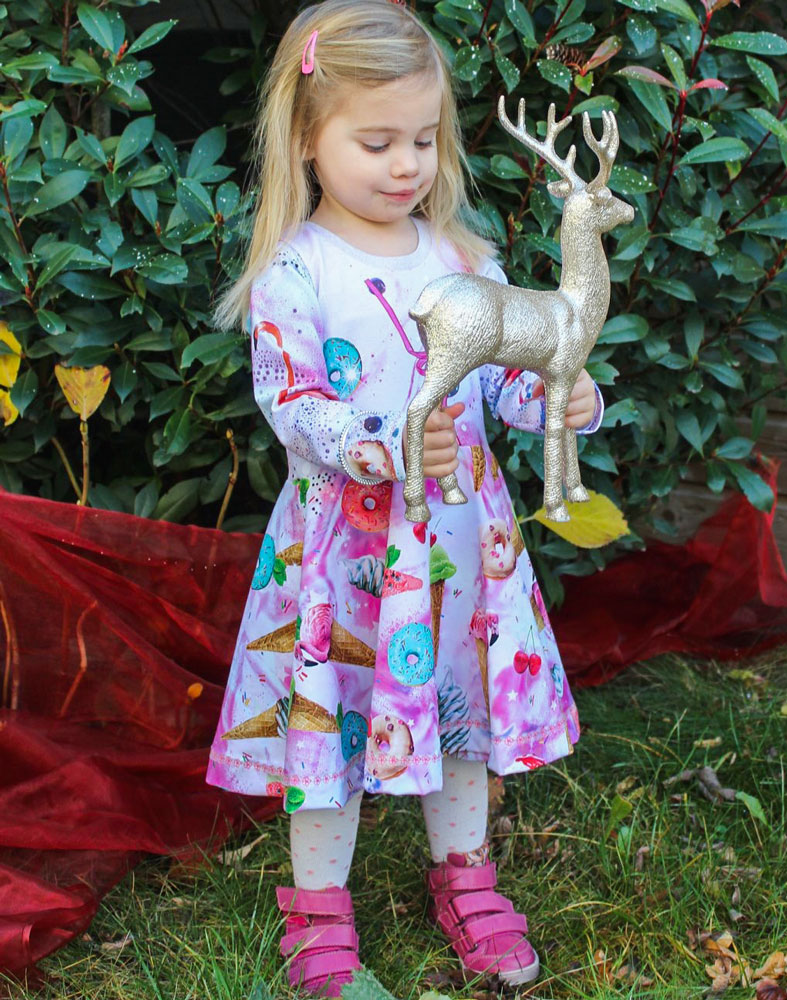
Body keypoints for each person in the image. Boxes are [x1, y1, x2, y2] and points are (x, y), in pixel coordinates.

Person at [208, 1, 604, 995]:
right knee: (330, 717)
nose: (405, 165)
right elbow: (293, 401)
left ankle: (466, 877)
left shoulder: (463, 260)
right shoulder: (298, 271)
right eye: (376, 141)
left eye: (423, 140)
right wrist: (381, 443)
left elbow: (505, 380)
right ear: (308, 137)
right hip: (346, 555)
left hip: (461, 548)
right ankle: (318, 910)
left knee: (458, 704)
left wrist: (561, 398)